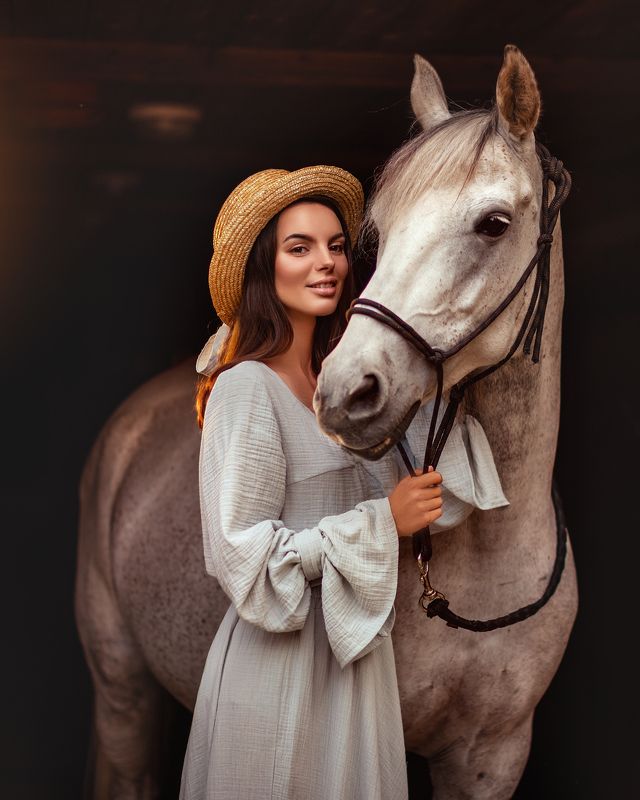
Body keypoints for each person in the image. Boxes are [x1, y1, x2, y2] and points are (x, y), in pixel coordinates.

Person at [180, 166, 508, 799]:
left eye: (335, 245)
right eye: (299, 248)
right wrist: (385, 520)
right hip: (282, 670)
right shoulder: (246, 388)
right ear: (263, 269)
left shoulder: (344, 393)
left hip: (355, 668)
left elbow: (434, 486)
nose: (325, 262)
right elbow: (240, 554)